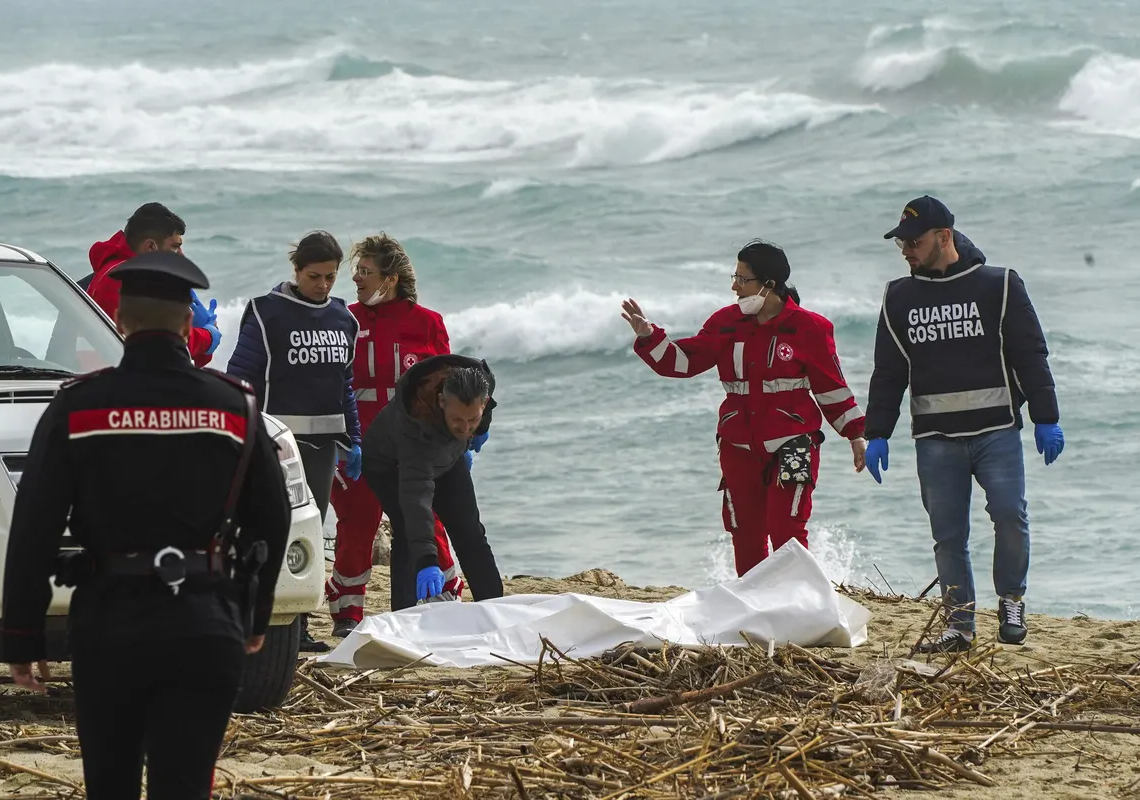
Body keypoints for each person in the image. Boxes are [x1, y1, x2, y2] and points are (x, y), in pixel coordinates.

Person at [0, 251, 291, 800]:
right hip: (205, 623)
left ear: (120, 322)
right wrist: (253, 613)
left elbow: (35, 527)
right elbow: (271, 521)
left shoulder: (78, 408)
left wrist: (22, 634)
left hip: (109, 622)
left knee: (110, 784)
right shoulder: (235, 407)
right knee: (183, 786)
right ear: (188, 324)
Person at [864, 196, 1064, 653]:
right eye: (901, 244)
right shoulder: (899, 296)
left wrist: (1045, 417)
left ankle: (1011, 601)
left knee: (1011, 516)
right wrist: (876, 431)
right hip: (935, 439)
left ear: (944, 237)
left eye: (913, 242)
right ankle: (959, 624)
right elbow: (889, 370)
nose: (906, 250)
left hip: (996, 430)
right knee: (948, 535)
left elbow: (1030, 354)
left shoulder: (1000, 285)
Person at [621, 240, 866, 576]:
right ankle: (755, 610)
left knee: (787, 533)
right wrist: (650, 336)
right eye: (733, 276)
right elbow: (683, 362)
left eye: (741, 278)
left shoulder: (810, 327)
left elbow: (831, 387)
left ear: (768, 284)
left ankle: (800, 607)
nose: (734, 286)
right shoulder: (725, 322)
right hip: (738, 448)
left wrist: (856, 435)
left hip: (795, 444)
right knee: (745, 534)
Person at [325, 234, 477, 636]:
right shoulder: (343, 318)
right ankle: (347, 614)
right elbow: (327, 381)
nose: (356, 278)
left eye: (365, 272)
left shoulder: (428, 323)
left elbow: (450, 386)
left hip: (416, 445)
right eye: (356, 270)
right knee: (357, 521)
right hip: (356, 441)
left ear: (389, 279)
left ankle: (444, 599)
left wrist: (461, 441)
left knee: (427, 519)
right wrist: (338, 438)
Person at [226, 230, 362, 652]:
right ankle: (256, 622)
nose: (323, 285)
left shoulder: (345, 319)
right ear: (297, 271)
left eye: (330, 277)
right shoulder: (267, 313)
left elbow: (345, 384)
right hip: (276, 447)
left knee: (308, 532)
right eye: (314, 276)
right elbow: (240, 376)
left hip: (322, 448)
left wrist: (354, 438)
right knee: (269, 532)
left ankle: (297, 628)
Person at [361, 355, 503, 610]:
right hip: (389, 465)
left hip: (447, 458)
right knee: (408, 532)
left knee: (470, 532)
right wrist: (428, 562)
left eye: (472, 419)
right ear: (441, 402)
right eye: (458, 419)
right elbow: (417, 500)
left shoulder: (482, 383)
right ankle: (404, 616)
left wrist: (480, 430)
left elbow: (485, 408)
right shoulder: (417, 423)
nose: (465, 427)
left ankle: (495, 608)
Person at [85, 203, 221, 367]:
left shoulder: (116, 271)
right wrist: (207, 337)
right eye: (174, 248)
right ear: (151, 247)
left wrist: (197, 337)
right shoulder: (125, 280)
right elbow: (163, 345)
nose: (181, 256)